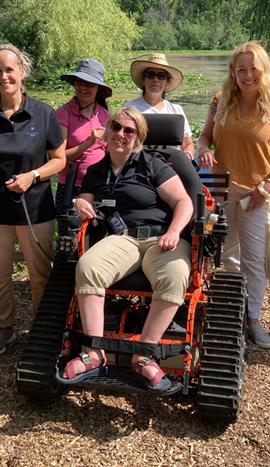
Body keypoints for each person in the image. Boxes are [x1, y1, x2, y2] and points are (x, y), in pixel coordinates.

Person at [55, 106, 194, 393]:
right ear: (107, 131)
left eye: (129, 130)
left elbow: (184, 203)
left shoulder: (152, 164)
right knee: (87, 267)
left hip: (161, 237)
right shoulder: (96, 170)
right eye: (116, 127)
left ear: (138, 137)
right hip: (122, 238)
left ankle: (144, 354)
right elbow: (84, 201)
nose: (120, 134)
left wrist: (173, 232)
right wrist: (81, 203)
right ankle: (94, 353)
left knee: (175, 273)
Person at [0, 44, 66, 355]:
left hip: (36, 210)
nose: (3, 76)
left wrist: (32, 176)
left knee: (40, 275)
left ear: (22, 72)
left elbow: (59, 160)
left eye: (9, 69)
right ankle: (5, 327)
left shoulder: (44, 113)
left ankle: (42, 328)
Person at [196, 42, 270, 349]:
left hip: (257, 193)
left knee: (254, 259)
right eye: (240, 69)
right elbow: (204, 138)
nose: (247, 75)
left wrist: (266, 188)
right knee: (226, 255)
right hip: (221, 189)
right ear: (233, 72)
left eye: (253, 68)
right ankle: (232, 310)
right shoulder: (221, 100)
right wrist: (202, 150)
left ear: (264, 70)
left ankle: (253, 319)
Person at [54, 59, 112, 213]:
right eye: (79, 82)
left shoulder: (106, 116)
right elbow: (59, 157)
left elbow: (109, 156)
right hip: (70, 185)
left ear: (99, 88)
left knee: (96, 233)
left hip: (97, 185)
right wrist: (88, 143)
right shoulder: (63, 113)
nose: (84, 87)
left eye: (90, 84)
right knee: (68, 234)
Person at [124, 53, 195, 159]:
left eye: (161, 75)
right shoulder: (128, 109)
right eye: (150, 75)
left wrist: (186, 157)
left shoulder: (176, 110)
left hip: (172, 167)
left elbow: (188, 144)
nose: (155, 79)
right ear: (144, 79)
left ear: (167, 81)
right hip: (139, 166)